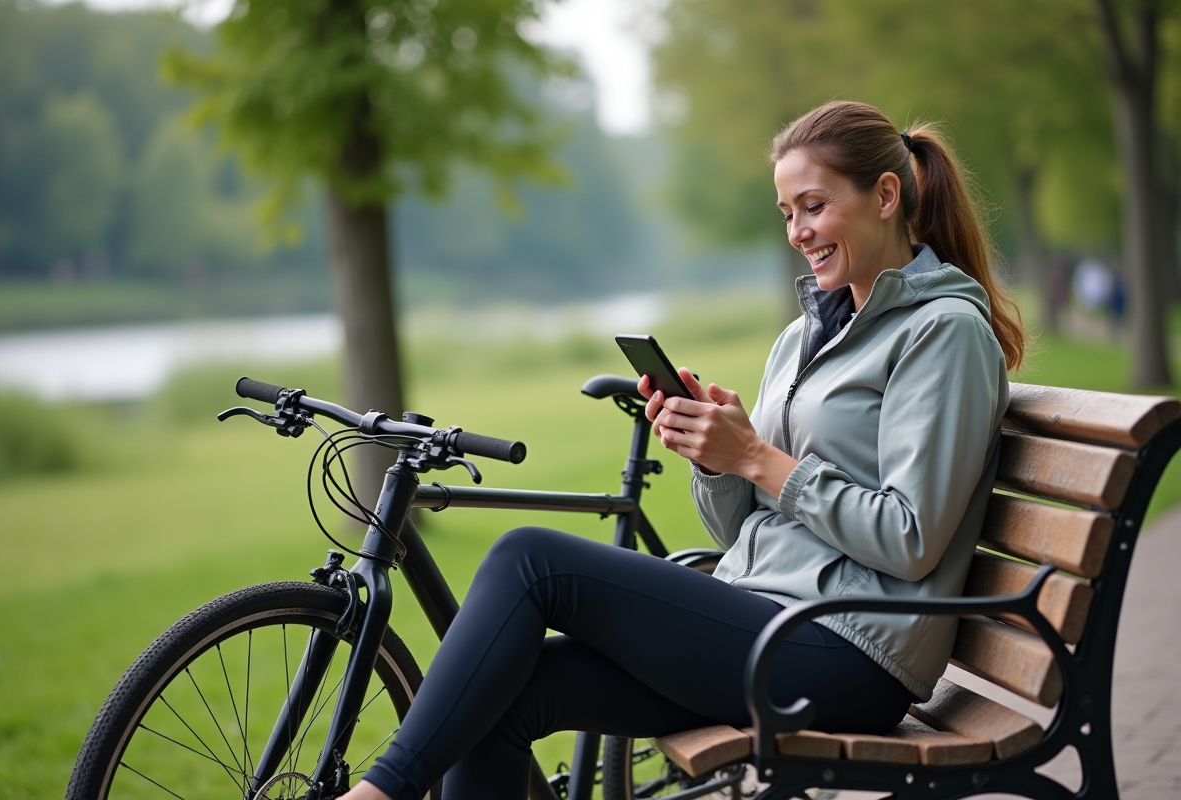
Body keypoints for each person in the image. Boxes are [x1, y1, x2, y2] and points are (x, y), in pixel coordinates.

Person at [344, 100, 1026, 800]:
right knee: (502, 698)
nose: (797, 231)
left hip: (848, 653)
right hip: (770, 619)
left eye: (814, 206)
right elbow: (741, 533)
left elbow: (911, 539)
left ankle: (380, 793)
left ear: (884, 196)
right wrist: (718, 458)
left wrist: (757, 458)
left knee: (531, 560)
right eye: (787, 213)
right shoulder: (805, 337)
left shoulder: (942, 332)